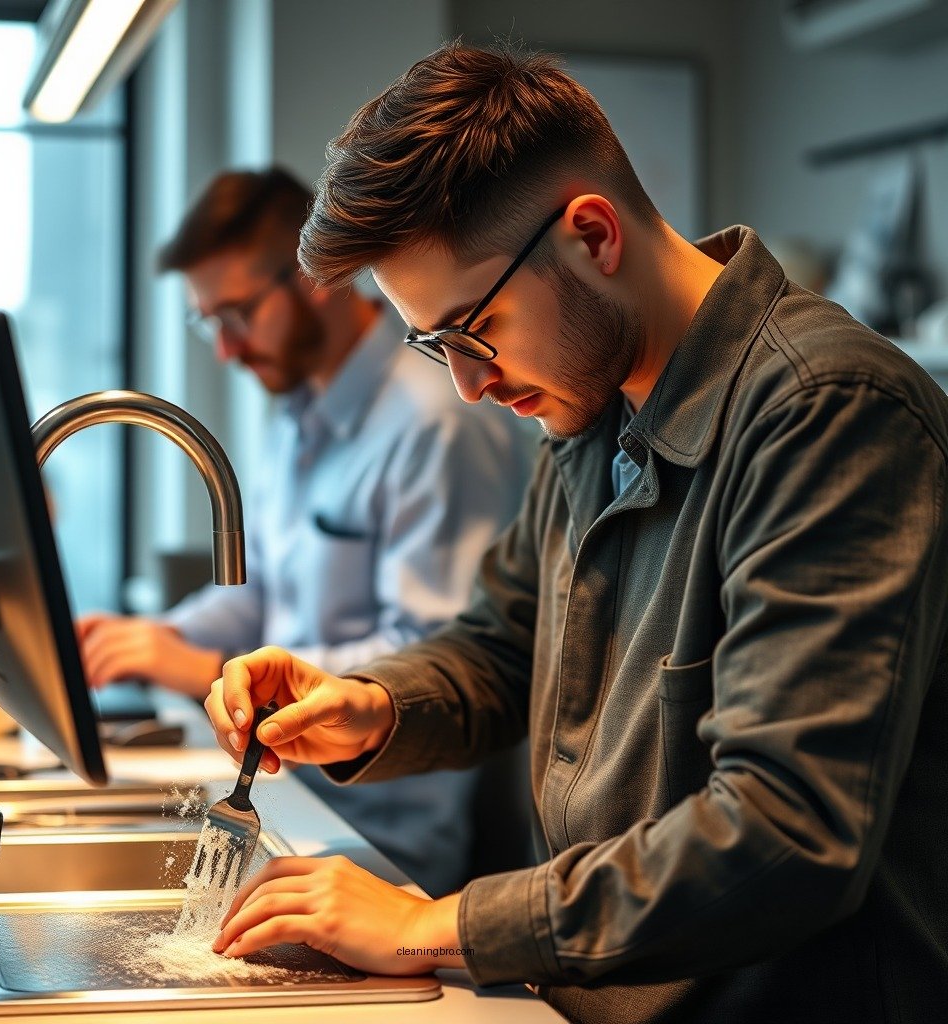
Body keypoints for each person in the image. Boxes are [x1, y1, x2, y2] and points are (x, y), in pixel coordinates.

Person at [202, 44, 948, 1024]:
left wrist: (438, 927)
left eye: (473, 330)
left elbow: (783, 828)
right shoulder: (588, 410)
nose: (466, 383)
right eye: (435, 346)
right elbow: (505, 644)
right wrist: (374, 705)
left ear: (591, 235)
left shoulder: (828, 413)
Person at [77, 166, 533, 897]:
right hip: (293, 798)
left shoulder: (437, 421)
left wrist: (200, 671)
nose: (226, 349)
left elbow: (439, 653)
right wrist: (146, 643)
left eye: (237, 315)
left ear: (317, 277)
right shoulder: (296, 416)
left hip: (382, 841)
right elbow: (257, 594)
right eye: (210, 324)